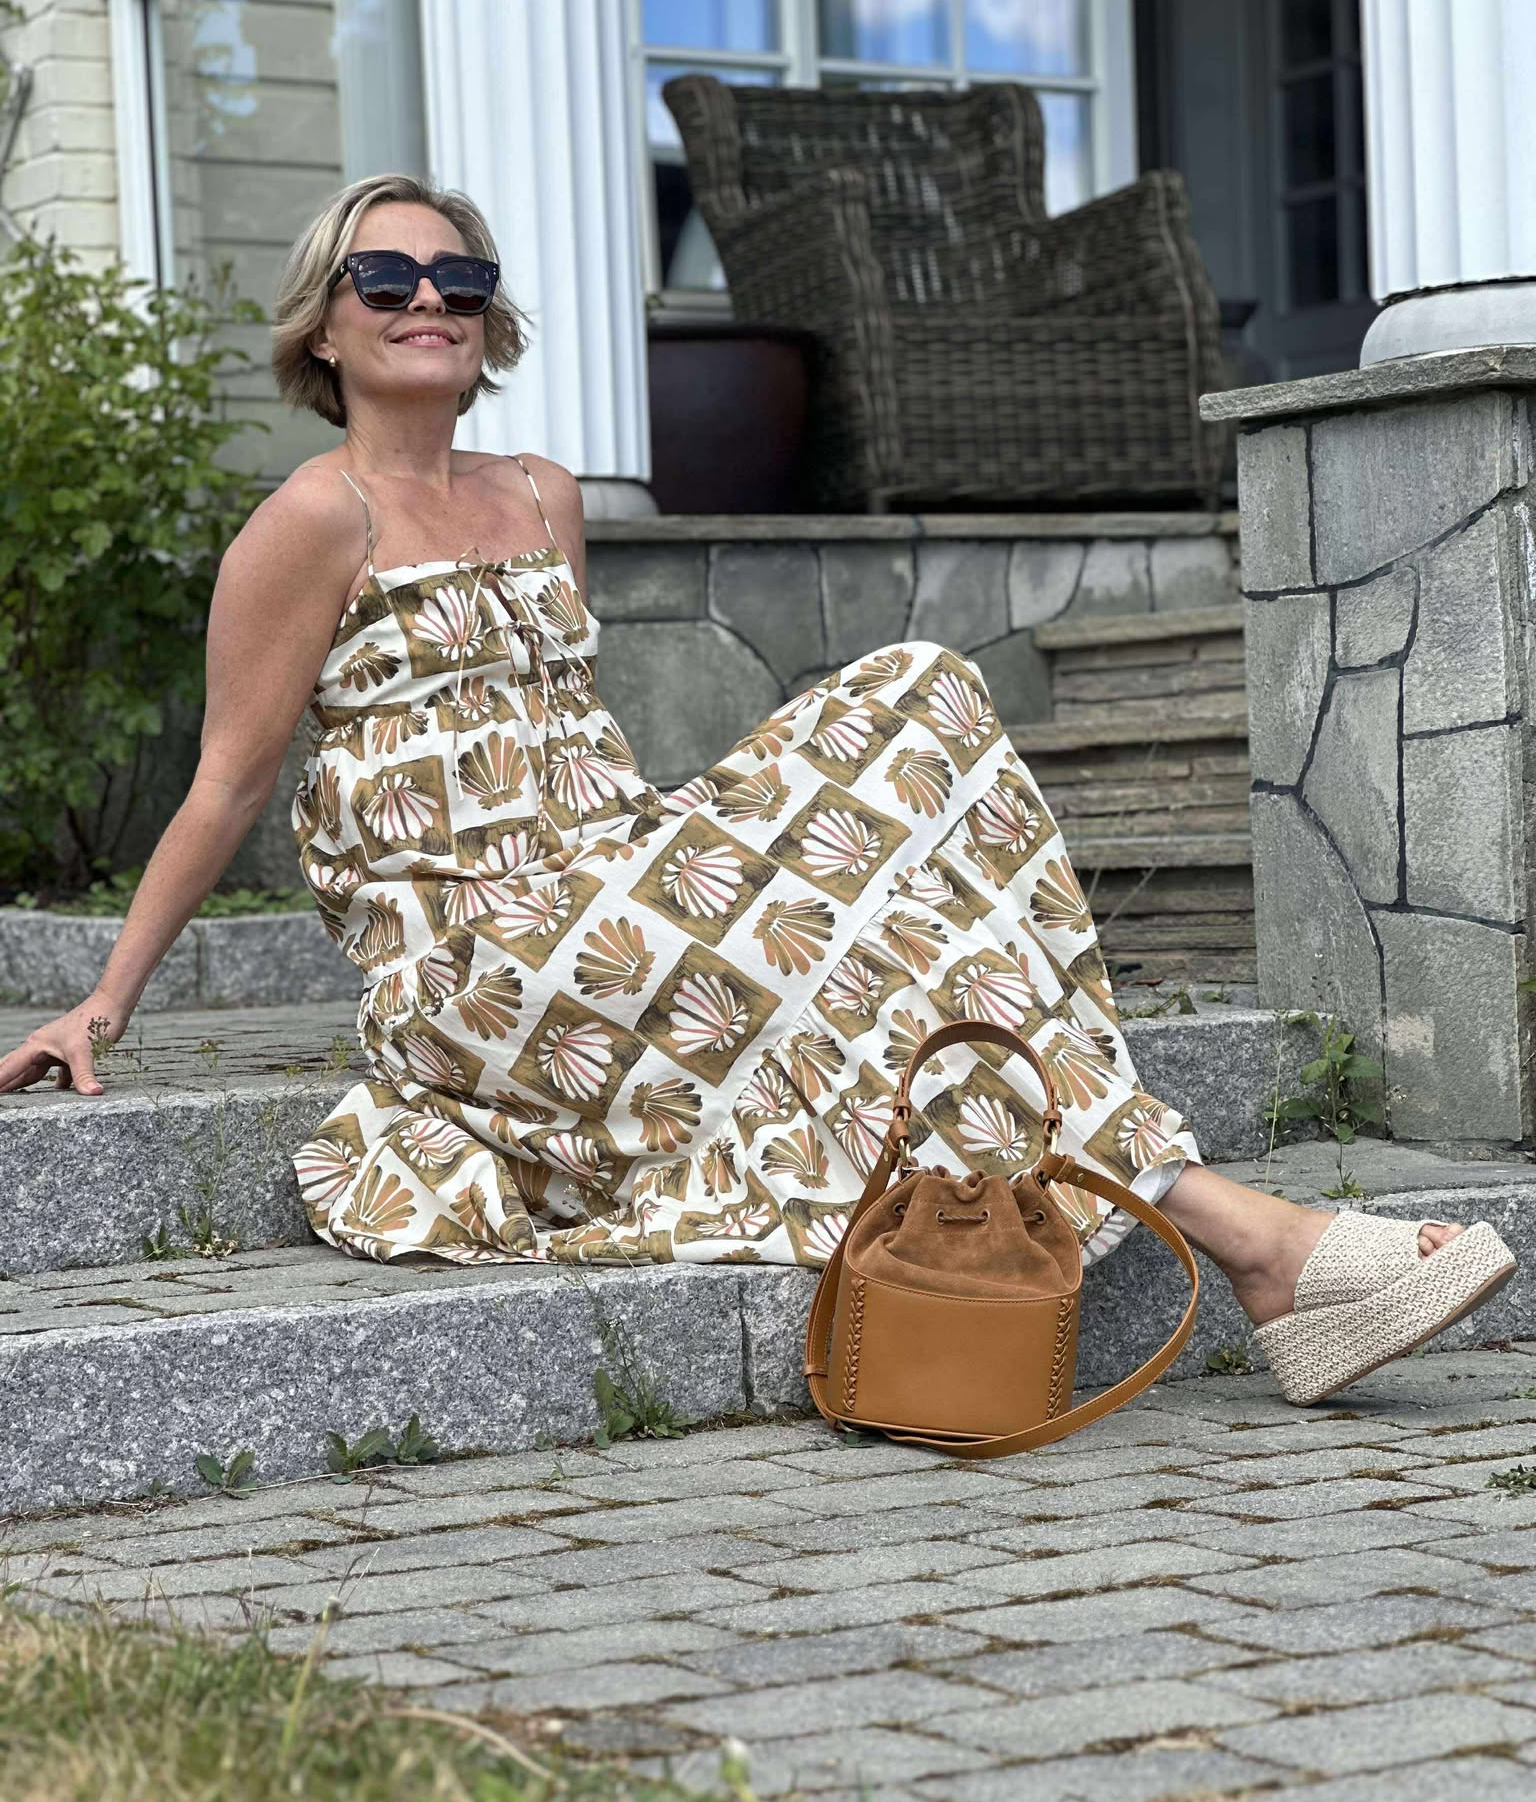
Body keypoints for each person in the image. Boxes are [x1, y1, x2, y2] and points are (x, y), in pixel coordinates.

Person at [0, 175, 1516, 1408]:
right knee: (836, 954)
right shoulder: (307, 523)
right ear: (323, 326)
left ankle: (1246, 1241)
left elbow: (565, 734)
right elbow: (225, 784)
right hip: (477, 961)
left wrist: (719, 861)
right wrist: (103, 1006)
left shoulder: (540, 494)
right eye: (384, 279)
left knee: (919, 699)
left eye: (458, 280)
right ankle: (1261, 1244)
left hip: (613, 881)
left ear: (489, 315)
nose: (426, 303)